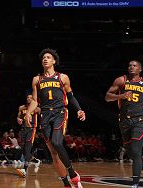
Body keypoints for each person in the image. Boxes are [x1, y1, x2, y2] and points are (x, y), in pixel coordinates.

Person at [26, 49, 86, 188]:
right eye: (43, 58)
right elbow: (35, 100)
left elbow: (70, 96)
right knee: (53, 153)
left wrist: (79, 110)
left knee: (57, 142)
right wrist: (29, 113)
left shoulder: (63, 77)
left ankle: (72, 173)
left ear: (54, 61)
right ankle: (66, 184)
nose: (45, 59)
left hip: (60, 113)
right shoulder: (37, 79)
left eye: (48, 57)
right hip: (45, 115)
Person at [105, 60, 143, 188]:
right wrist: (121, 96)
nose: (131, 67)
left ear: (140, 69)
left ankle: (135, 183)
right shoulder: (121, 80)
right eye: (130, 65)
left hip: (139, 119)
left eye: (135, 65)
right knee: (132, 153)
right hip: (124, 120)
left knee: (136, 150)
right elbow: (107, 97)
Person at [15, 94, 41, 177]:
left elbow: (42, 117)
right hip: (23, 130)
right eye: (28, 97)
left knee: (27, 149)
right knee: (24, 150)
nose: (29, 99)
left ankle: (24, 170)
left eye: (31, 98)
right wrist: (18, 119)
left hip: (31, 129)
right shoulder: (21, 108)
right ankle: (36, 161)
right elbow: (18, 117)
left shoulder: (36, 109)